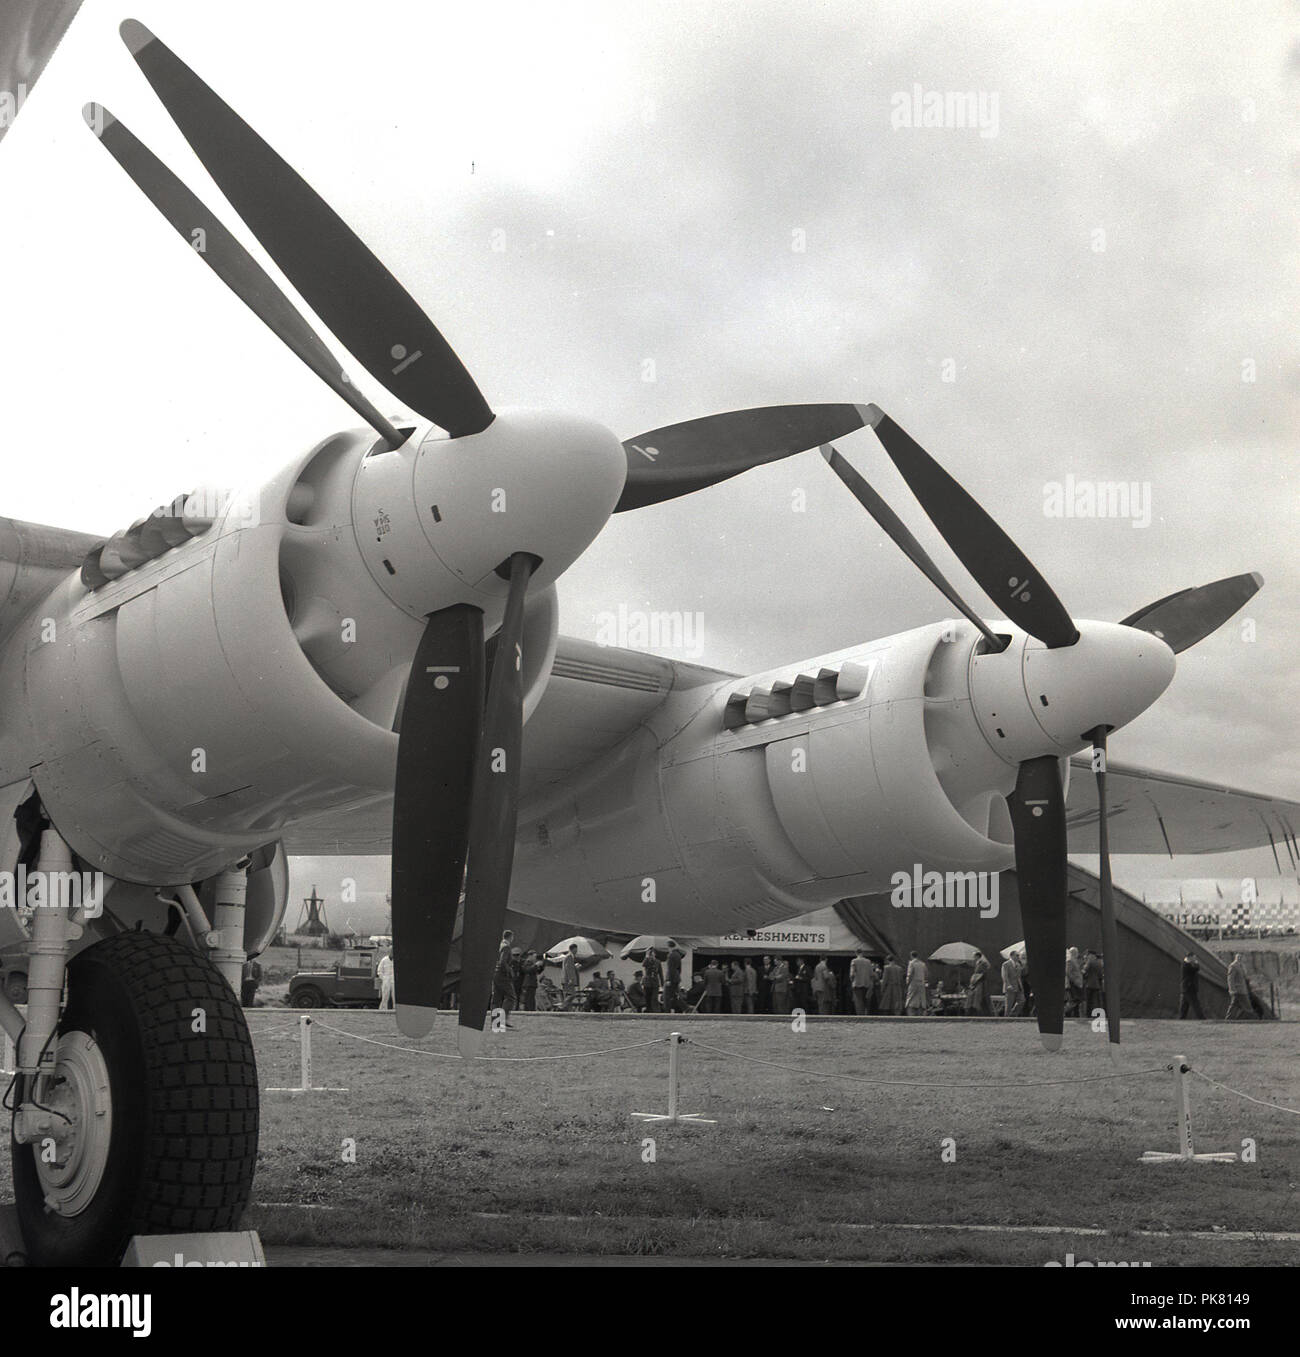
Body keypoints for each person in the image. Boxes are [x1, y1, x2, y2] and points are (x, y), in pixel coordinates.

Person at [492, 932, 517, 1017]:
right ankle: (504, 1018)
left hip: (495, 973)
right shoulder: (506, 947)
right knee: (511, 997)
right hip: (502, 975)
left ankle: (496, 1022)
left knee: (497, 998)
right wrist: (509, 971)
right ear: (511, 937)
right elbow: (503, 962)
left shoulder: (499, 945)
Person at [1225, 954, 1255, 1019]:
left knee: (1234, 1006)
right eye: (1238, 957)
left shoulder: (1242, 966)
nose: (1240, 958)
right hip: (1237, 990)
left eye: (1241, 957)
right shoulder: (1233, 966)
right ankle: (1254, 1019)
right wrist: (1232, 989)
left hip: (1243, 990)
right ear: (1236, 958)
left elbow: (1244, 977)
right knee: (1247, 1007)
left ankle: (1229, 1019)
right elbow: (1230, 979)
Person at [1178, 952, 1204, 1020]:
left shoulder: (1187, 964)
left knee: (1184, 1005)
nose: (1195, 959)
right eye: (1194, 957)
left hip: (1186, 988)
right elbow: (1196, 969)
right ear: (1190, 957)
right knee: (1195, 1004)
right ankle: (1201, 1018)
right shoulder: (1186, 965)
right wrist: (1196, 962)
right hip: (1189, 988)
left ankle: (1182, 1018)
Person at [1081, 949, 1104, 1020]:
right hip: (1096, 984)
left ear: (1091, 955)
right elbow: (1100, 975)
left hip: (1089, 984)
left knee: (1088, 1001)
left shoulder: (1090, 962)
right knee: (1096, 1001)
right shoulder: (1099, 963)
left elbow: (1084, 971)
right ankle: (1096, 1014)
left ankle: (1088, 1015)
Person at [849, 949, 874, 1015]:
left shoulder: (854, 961)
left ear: (856, 953)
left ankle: (860, 1016)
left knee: (858, 1002)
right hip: (866, 984)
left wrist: (852, 981)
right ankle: (866, 1015)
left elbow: (852, 974)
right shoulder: (868, 961)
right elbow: (871, 974)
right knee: (866, 1001)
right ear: (862, 953)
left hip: (857, 984)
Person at [966, 950, 990, 1015]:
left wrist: (976, 979)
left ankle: (980, 1012)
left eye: (974, 956)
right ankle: (973, 1011)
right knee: (973, 997)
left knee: (979, 997)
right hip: (975, 982)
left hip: (980, 982)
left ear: (977, 956)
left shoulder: (983, 963)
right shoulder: (977, 963)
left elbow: (983, 973)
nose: (973, 957)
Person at [1001, 952, 1023, 1017]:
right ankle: (1006, 1018)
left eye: (1018, 955)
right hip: (1010, 987)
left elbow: (1019, 976)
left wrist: (1021, 986)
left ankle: (1013, 1015)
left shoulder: (1018, 964)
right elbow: (1005, 976)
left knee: (1022, 1001)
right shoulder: (1006, 964)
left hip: (1018, 986)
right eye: (1017, 955)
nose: (1018, 957)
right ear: (1011, 956)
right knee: (1009, 1004)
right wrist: (1008, 985)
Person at [641, 945, 663, 1013]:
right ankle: (648, 1010)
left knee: (654, 998)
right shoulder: (646, 960)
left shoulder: (658, 961)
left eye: (652, 952)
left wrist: (662, 983)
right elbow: (643, 964)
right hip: (647, 982)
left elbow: (660, 973)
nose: (652, 954)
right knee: (647, 997)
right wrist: (647, 956)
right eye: (650, 952)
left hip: (655, 982)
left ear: (655, 953)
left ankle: (656, 1011)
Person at [664, 941, 684, 1012]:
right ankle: (684, 1008)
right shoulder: (678, 955)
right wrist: (677, 976)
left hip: (671, 978)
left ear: (669, 947)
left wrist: (668, 979)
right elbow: (679, 968)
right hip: (676, 977)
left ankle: (667, 1010)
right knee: (675, 995)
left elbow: (670, 968)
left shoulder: (671, 955)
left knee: (667, 996)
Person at [1065, 946, 1084, 1019]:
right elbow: (1068, 972)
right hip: (1072, 984)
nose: (1078, 954)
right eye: (1076, 952)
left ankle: (1075, 1015)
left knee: (1077, 1001)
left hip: (1077, 984)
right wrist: (1075, 981)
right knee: (1073, 1001)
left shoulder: (1073, 960)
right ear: (1073, 953)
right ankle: (1065, 1012)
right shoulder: (1070, 960)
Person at [561, 943, 581, 1007]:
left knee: (568, 994)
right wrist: (571, 979)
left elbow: (569, 968)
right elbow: (568, 969)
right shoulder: (569, 957)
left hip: (566, 979)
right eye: (575, 950)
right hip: (568, 980)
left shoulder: (569, 957)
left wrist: (575, 967)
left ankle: (566, 1008)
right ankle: (562, 1006)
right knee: (572, 994)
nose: (576, 951)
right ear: (571, 949)